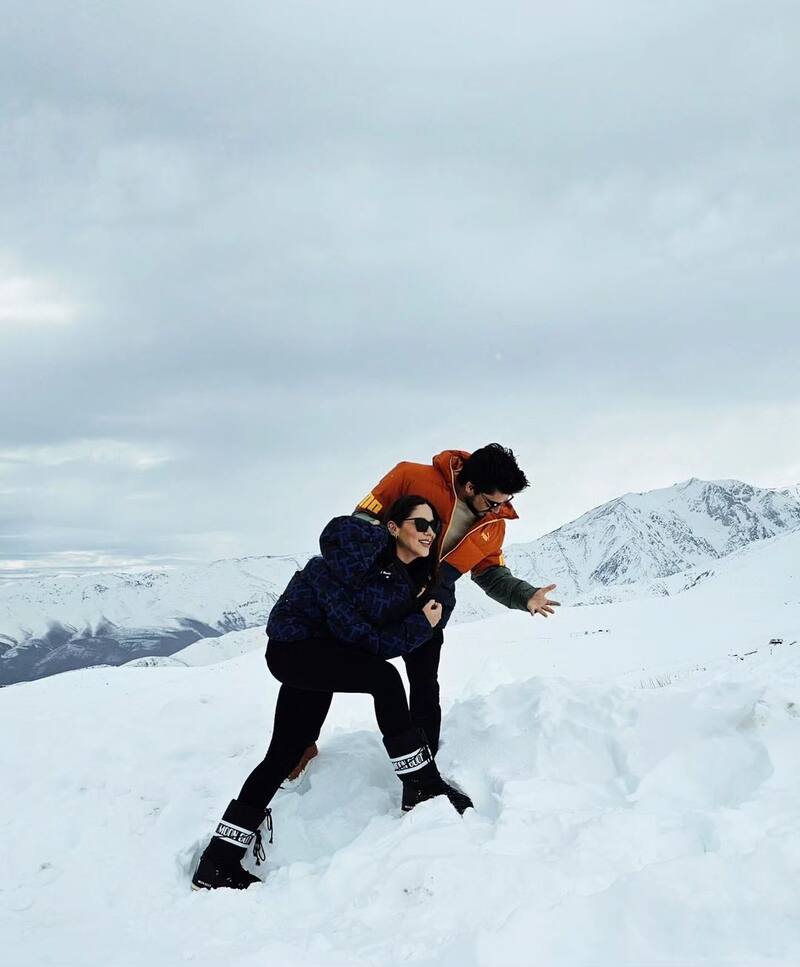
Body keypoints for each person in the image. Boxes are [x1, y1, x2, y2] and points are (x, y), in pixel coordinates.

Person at [191, 495, 472, 892]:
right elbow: (366, 639)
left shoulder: (402, 573)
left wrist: (430, 607)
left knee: (282, 754)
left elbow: (408, 612)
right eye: (421, 524)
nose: (430, 533)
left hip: (319, 654)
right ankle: (422, 786)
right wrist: (420, 625)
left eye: (434, 527)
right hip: (294, 650)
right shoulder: (350, 561)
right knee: (385, 680)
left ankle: (217, 862)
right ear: (394, 527)